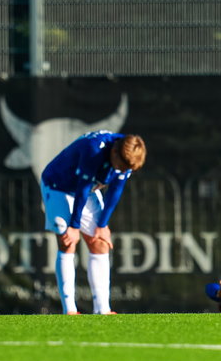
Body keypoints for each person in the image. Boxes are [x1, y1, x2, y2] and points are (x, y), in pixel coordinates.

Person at [41, 130, 146, 314]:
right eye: (120, 167)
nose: (121, 171)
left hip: (86, 191)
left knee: (100, 243)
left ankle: (103, 310)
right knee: (68, 241)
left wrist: (102, 225)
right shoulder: (94, 150)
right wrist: (74, 226)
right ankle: (70, 310)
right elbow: (82, 189)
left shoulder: (126, 157)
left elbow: (115, 190)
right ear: (114, 153)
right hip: (58, 186)